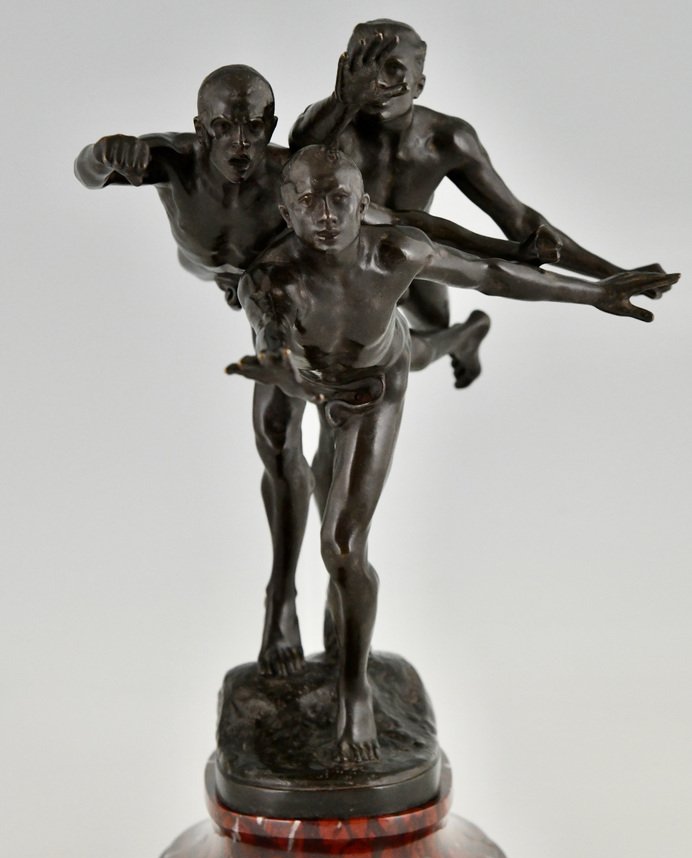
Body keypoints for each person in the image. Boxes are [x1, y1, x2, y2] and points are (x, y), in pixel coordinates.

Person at [75, 64, 556, 676]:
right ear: (200, 128)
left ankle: (454, 339)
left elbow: (412, 225)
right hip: (258, 300)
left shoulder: (294, 177)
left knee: (359, 389)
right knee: (284, 441)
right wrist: (100, 155)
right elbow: (89, 175)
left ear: (273, 126)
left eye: (254, 127)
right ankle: (281, 596)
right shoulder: (171, 160)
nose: (240, 142)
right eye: (223, 128)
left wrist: (513, 249)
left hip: (304, 298)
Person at [228, 145, 677, 762]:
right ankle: (464, 335)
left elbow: (491, 275)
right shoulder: (268, 281)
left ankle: (354, 688)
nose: (326, 215)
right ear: (286, 211)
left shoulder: (396, 252)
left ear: (364, 203)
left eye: (339, 199)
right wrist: (288, 375)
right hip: (321, 382)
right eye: (308, 201)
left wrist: (595, 292)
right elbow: (273, 345)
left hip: (377, 383)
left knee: (343, 547)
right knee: (323, 442)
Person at [289, 19, 669, 388]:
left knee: (434, 328)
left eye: (392, 68)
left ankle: (464, 335)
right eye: (364, 66)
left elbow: (519, 220)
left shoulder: (446, 140)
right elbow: (300, 145)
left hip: (415, 249)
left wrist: (611, 273)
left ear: (419, 84)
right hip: (347, 259)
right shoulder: (331, 132)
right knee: (385, 353)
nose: (376, 82)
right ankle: (456, 339)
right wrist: (342, 101)